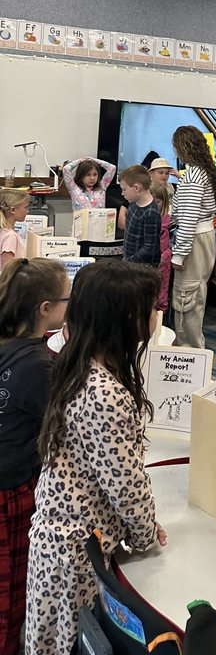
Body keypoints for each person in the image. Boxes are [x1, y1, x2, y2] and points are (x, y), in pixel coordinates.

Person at [26, 260, 166, 655]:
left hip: (65, 542)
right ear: (123, 318)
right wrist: (144, 532)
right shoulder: (104, 391)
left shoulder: (80, 362)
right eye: (149, 307)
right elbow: (125, 483)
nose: (157, 314)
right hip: (77, 554)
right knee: (73, 643)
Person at [0, 258, 69, 655]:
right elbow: (68, 428)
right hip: (10, 491)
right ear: (45, 309)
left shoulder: (14, 346)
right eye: (65, 300)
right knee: (10, 597)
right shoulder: (38, 366)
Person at [170, 125, 216, 349]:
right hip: (204, 236)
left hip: (194, 240)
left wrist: (178, 255)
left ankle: (188, 351)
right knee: (196, 293)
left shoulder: (192, 176)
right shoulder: (203, 171)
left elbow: (188, 218)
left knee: (186, 297)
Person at [120, 165, 161, 265]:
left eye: (124, 189)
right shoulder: (133, 202)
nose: (122, 193)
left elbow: (149, 247)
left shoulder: (151, 213)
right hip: (130, 261)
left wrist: (129, 262)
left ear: (137, 188)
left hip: (142, 268)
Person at [150, 181, 172, 316]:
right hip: (147, 262)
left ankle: (160, 324)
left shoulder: (169, 220)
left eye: (157, 202)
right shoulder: (145, 217)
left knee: (161, 295)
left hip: (163, 262)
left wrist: (166, 256)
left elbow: (175, 242)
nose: (154, 205)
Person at [0, 188, 29, 269]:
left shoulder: (4, 232)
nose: (28, 211)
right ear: (13, 210)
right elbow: (6, 268)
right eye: (26, 207)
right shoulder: (10, 236)